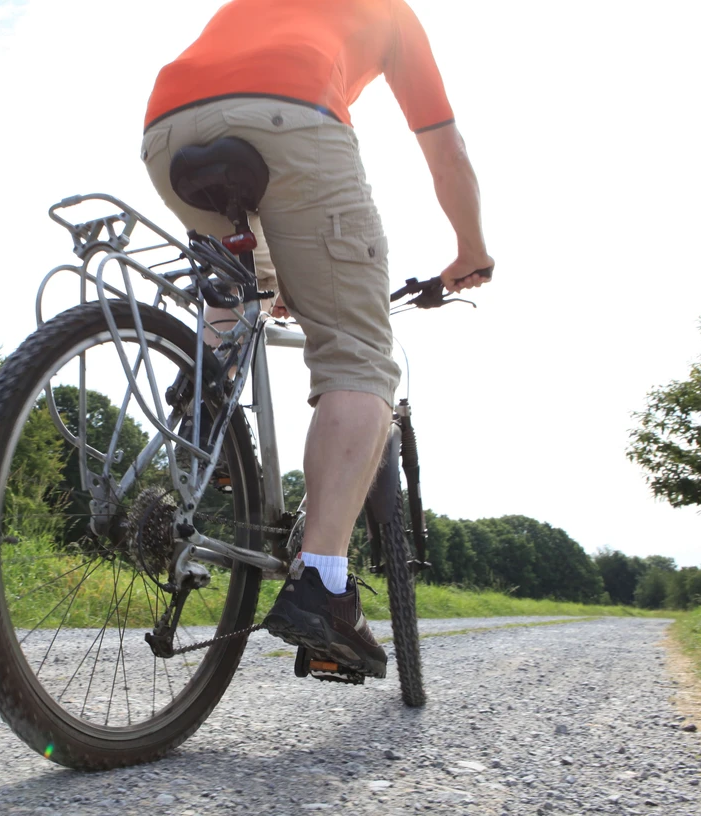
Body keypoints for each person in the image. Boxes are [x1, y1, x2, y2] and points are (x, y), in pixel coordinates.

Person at [141, 0, 493, 675]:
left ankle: (205, 405)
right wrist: (471, 250)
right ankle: (324, 585)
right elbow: (446, 150)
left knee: (243, 289)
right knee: (359, 354)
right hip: (290, 117)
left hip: (168, 131)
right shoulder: (389, 11)